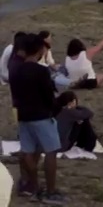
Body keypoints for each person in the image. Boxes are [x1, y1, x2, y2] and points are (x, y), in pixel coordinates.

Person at [11, 34, 62, 202]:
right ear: (40, 50)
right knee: (50, 151)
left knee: (28, 152)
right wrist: (54, 109)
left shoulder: (16, 69)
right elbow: (49, 95)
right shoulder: (41, 71)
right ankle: (51, 191)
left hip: (24, 116)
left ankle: (34, 187)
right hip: (41, 116)